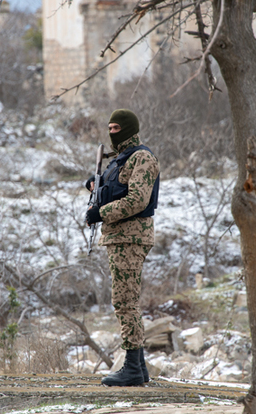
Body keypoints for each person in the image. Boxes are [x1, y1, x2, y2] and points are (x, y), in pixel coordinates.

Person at [85, 109, 160, 387]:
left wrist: (101, 212)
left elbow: (137, 200)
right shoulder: (119, 160)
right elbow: (116, 190)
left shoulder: (142, 158)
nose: (112, 132)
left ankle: (131, 368)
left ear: (128, 128)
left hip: (131, 237)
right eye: (110, 128)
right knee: (125, 300)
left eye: (116, 128)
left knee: (125, 302)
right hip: (119, 238)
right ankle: (138, 369)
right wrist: (96, 186)